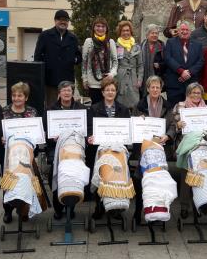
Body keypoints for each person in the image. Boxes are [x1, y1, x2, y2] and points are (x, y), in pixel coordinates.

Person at [133, 75, 175, 224]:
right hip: (143, 148)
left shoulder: (168, 106)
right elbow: (134, 127)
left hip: (161, 147)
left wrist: (167, 136)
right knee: (140, 178)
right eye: (152, 87)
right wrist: (139, 122)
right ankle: (138, 211)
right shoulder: (140, 105)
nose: (155, 89)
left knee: (159, 179)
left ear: (161, 88)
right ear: (148, 88)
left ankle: (160, 211)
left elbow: (172, 126)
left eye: (158, 87)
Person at [87, 77, 131, 218]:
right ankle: (99, 206)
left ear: (116, 92)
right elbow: (89, 128)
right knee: (101, 174)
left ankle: (116, 206)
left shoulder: (123, 110)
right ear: (102, 92)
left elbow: (128, 130)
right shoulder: (94, 109)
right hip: (100, 149)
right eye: (107, 90)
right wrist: (90, 137)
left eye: (113, 90)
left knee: (117, 175)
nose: (110, 92)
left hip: (118, 149)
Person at [171, 82, 207, 218]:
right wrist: (178, 125)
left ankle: (199, 203)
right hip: (186, 145)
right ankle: (184, 205)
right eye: (193, 92)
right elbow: (173, 126)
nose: (196, 95)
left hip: (202, 145)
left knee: (203, 173)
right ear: (188, 94)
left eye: (198, 93)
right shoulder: (180, 106)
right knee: (187, 175)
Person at [48, 81, 88, 220]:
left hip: (75, 146)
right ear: (59, 93)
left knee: (75, 172)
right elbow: (46, 132)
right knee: (56, 171)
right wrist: (52, 138)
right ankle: (58, 208)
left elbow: (86, 131)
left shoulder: (81, 109)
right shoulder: (51, 110)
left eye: (69, 90)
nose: (66, 93)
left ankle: (71, 205)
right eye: (64, 90)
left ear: (72, 93)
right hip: (56, 147)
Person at [1, 82, 39, 223]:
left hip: (26, 153)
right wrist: (1, 138)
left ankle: (24, 210)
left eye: (20, 95)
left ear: (26, 97)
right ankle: (8, 210)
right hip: (9, 154)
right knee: (9, 180)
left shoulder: (32, 112)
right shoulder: (4, 112)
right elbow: (0, 132)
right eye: (14, 95)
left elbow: (36, 134)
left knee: (26, 179)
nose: (16, 98)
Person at [33, 10, 82, 108]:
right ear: (55, 21)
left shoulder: (73, 38)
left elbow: (79, 56)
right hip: (50, 79)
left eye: (66, 20)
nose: (63, 22)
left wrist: (73, 60)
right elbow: (37, 57)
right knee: (51, 106)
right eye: (60, 19)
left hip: (67, 79)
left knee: (67, 105)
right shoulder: (45, 35)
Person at [163, 21, 204, 107]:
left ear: (190, 31)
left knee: (191, 113)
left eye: (187, 30)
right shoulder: (170, 42)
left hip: (191, 86)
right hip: (174, 85)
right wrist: (181, 71)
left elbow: (200, 61)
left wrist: (189, 72)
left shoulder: (198, 45)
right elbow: (168, 58)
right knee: (173, 112)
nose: (184, 32)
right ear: (178, 30)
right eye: (182, 29)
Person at [81, 17, 118, 104]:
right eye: (98, 26)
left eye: (103, 26)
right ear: (94, 27)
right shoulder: (88, 41)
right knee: (95, 107)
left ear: (106, 29)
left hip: (107, 82)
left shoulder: (111, 42)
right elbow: (84, 62)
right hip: (93, 82)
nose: (100, 28)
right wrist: (84, 79)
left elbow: (115, 61)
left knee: (108, 106)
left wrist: (112, 74)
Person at [115, 21, 143, 110]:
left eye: (127, 30)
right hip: (121, 78)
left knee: (134, 104)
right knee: (120, 104)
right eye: (123, 31)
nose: (126, 33)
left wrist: (139, 80)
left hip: (133, 79)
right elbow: (114, 64)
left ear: (131, 32)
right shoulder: (116, 46)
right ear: (120, 32)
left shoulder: (137, 47)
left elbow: (140, 65)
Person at [141, 24, 165, 95]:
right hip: (144, 76)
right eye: (152, 33)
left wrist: (160, 65)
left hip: (157, 76)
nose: (155, 35)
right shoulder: (141, 46)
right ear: (147, 35)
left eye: (156, 33)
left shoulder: (162, 46)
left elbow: (167, 62)